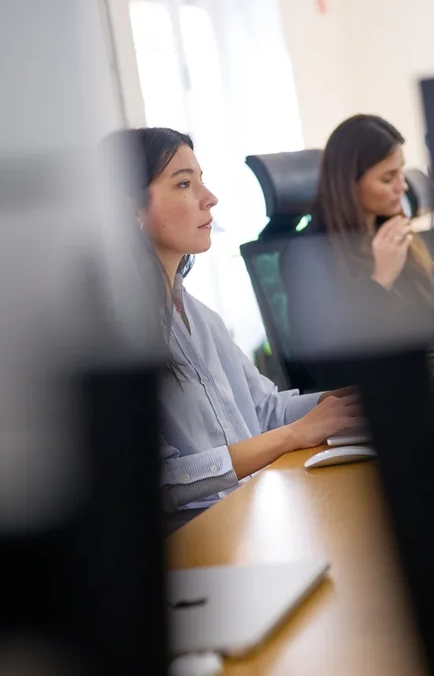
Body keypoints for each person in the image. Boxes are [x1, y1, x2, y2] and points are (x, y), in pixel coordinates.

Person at [117, 126, 361, 531]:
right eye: (183, 184)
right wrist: (294, 435)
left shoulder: (200, 316)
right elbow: (160, 480)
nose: (209, 198)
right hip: (200, 541)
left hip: (251, 515)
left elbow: (265, 410)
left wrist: (340, 403)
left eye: (201, 181)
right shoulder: (120, 333)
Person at [283, 114, 434, 362]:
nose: (403, 187)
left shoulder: (388, 231)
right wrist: (381, 278)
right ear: (348, 184)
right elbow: (328, 360)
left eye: (401, 173)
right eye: (388, 178)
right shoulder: (308, 254)